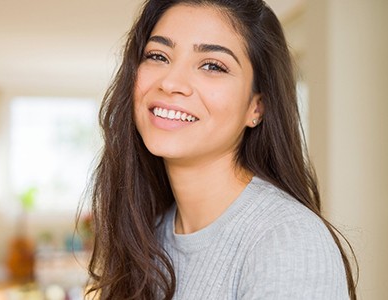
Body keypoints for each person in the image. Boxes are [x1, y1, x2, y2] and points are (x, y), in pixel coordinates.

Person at [85, 0, 357, 299]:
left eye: (212, 65)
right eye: (158, 56)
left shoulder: (287, 241)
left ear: (257, 106)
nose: (171, 82)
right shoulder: (149, 234)